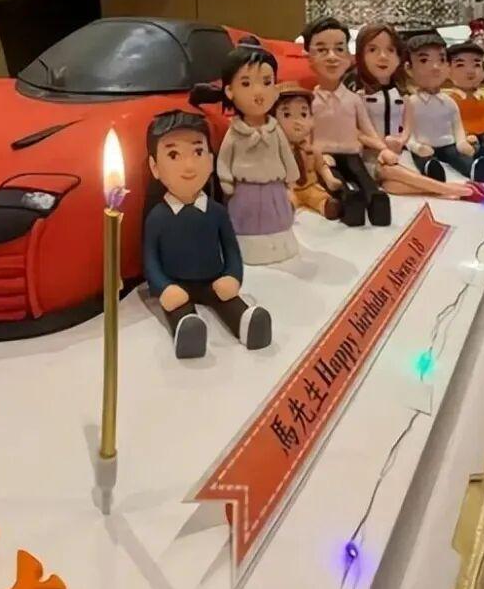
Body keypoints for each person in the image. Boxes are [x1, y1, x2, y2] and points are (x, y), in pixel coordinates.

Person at [142, 110, 271, 359]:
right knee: (181, 311)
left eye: (198, 152)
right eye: (173, 155)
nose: (189, 165)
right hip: (176, 285)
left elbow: (232, 249)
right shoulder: (157, 217)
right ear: (154, 167)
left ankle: (248, 324)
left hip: (214, 280)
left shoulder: (217, 212)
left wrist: (233, 276)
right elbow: (150, 260)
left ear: (211, 160)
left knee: (229, 300)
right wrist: (163, 287)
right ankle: (187, 331)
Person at [353, 24, 484, 201]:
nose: (383, 56)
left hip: (399, 153)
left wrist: (401, 140)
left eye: (390, 50)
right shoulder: (358, 97)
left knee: (391, 184)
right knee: (390, 171)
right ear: (360, 55)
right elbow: (358, 131)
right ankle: (456, 190)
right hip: (372, 157)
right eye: (372, 50)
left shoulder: (403, 96)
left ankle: (447, 190)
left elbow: (408, 126)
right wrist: (382, 147)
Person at [207, 42, 301, 264]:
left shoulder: (275, 129)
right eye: (246, 83)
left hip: (273, 188)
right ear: (230, 91)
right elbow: (224, 159)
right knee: (246, 223)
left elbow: (286, 155)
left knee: (277, 219)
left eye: (267, 82)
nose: (258, 92)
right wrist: (226, 180)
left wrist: (291, 177)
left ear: (276, 88)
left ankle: (279, 244)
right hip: (245, 191)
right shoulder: (235, 132)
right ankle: (246, 249)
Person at [301, 16, 393, 227]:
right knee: (336, 183)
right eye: (322, 50)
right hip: (324, 156)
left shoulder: (354, 100)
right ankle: (349, 202)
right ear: (309, 57)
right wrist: (315, 155)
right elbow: (305, 136)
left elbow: (368, 131)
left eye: (339, 49)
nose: (332, 57)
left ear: (349, 57)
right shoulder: (309, 101)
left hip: (352, 153)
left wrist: (383, 149)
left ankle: (376, 200)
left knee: (363, 177)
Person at [404, 32, 484, 182]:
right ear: (409, 68)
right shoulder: (411, 103)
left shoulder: (449, 101)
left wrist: (461, 142)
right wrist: (415, 146)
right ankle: (431, 169)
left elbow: (457, 126)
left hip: (448, 144)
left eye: (441, 60)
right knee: (424, 159)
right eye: (424, 60)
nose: (435, 67)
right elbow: (407, 132)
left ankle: (473, 169)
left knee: (458, 156)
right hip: (423, 145)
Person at [273, 83, 344, 220]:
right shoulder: (277, 151)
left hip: (310, 186)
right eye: (287, 114)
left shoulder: (312, 149)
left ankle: (327, 206)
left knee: (319, 196)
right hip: (288, 188)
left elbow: (321, 166)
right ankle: (286, 208)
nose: (297, 122)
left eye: (303, 114)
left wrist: (330, 179)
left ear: (312, 119)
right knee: (287, 199)